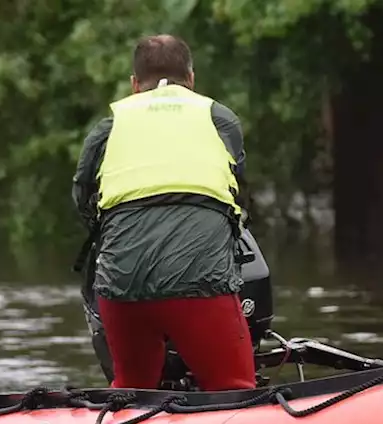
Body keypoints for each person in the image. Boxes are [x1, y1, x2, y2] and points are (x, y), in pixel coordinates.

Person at [72, 34, 256, 391]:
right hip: (201, 281)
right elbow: (238, 192)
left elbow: (83, 199)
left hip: (121, 282)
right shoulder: (219, 118)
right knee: (234, 389)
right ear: (191, 78)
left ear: (134, 84)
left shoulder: (109, 126)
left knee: (132, 388)